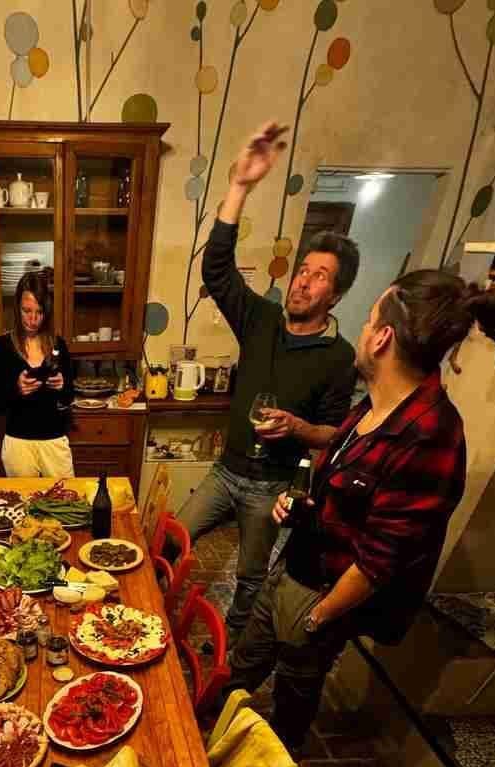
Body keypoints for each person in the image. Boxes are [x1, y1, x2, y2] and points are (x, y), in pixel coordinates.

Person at [224, 269, 495, 752]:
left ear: (382, 338)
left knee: (294, 693)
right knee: (241, 666)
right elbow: (345, 494)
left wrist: (319, 619)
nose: (359, 329)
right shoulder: (371, 408)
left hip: (322, 596)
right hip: (291, 569)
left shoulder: (432, 434)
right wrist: (299, 506)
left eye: (369, 319)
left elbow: (383, 559)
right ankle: (210, 722)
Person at [176, 121, 359, 638]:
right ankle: (158, 613)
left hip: (270, 485)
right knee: (172, 537)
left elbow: (332, 434)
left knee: (251, 575)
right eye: (304, 269)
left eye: (320, 275)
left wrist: (298, 427)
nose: (304, 279)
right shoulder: (261, 319)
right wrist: (239, 186)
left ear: (336, 295)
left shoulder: (340, 357)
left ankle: (231, 649)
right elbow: (217, 270)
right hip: (225, 470)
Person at [0, 271, 74, 477]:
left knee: (66, 501)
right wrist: (16, 389)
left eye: (39, 312)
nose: (33, 319)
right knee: (23, 506)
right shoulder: (2, 347)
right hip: (18, 443)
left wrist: (62, 386)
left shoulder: (58, 345)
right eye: (27, 311)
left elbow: (69, 397)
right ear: (17, 308)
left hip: (54, 441)